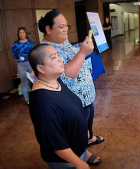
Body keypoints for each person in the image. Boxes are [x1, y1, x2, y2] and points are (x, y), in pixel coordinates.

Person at [38, 10, 103, 165]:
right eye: (61, 27)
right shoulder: (47, 50)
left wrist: (81, 46)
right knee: (76, 132)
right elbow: (67, 74)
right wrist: (82, 53)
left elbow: (72, 56)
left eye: (66, 25)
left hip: (86, 96)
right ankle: (83, 154)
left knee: (87, 124)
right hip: (75, 101)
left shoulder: (62, 42)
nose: (65, 29)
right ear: (48, 29)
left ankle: (89, 138)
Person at [29, 44, 90, 169]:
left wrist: (83, 130)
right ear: (40, 68)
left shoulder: (53, 80)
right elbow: (56, 143)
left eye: (58, 55)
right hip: (67, 161)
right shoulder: (43, 103)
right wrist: (79, 164)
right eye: (53, 57)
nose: (60, 59)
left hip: (78, 148)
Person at [12, 27, 35, 105]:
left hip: (30, 63)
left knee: (35, 80)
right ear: (18, 34)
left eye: (23, 32)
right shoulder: (16, 44)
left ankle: (37, 97)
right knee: (24, 82)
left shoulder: (30, 42)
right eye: (20, 33)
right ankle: (27, 99)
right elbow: (14, 55)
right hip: (21, 65)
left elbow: (33, 52)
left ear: (26, 33)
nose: (21, 34)